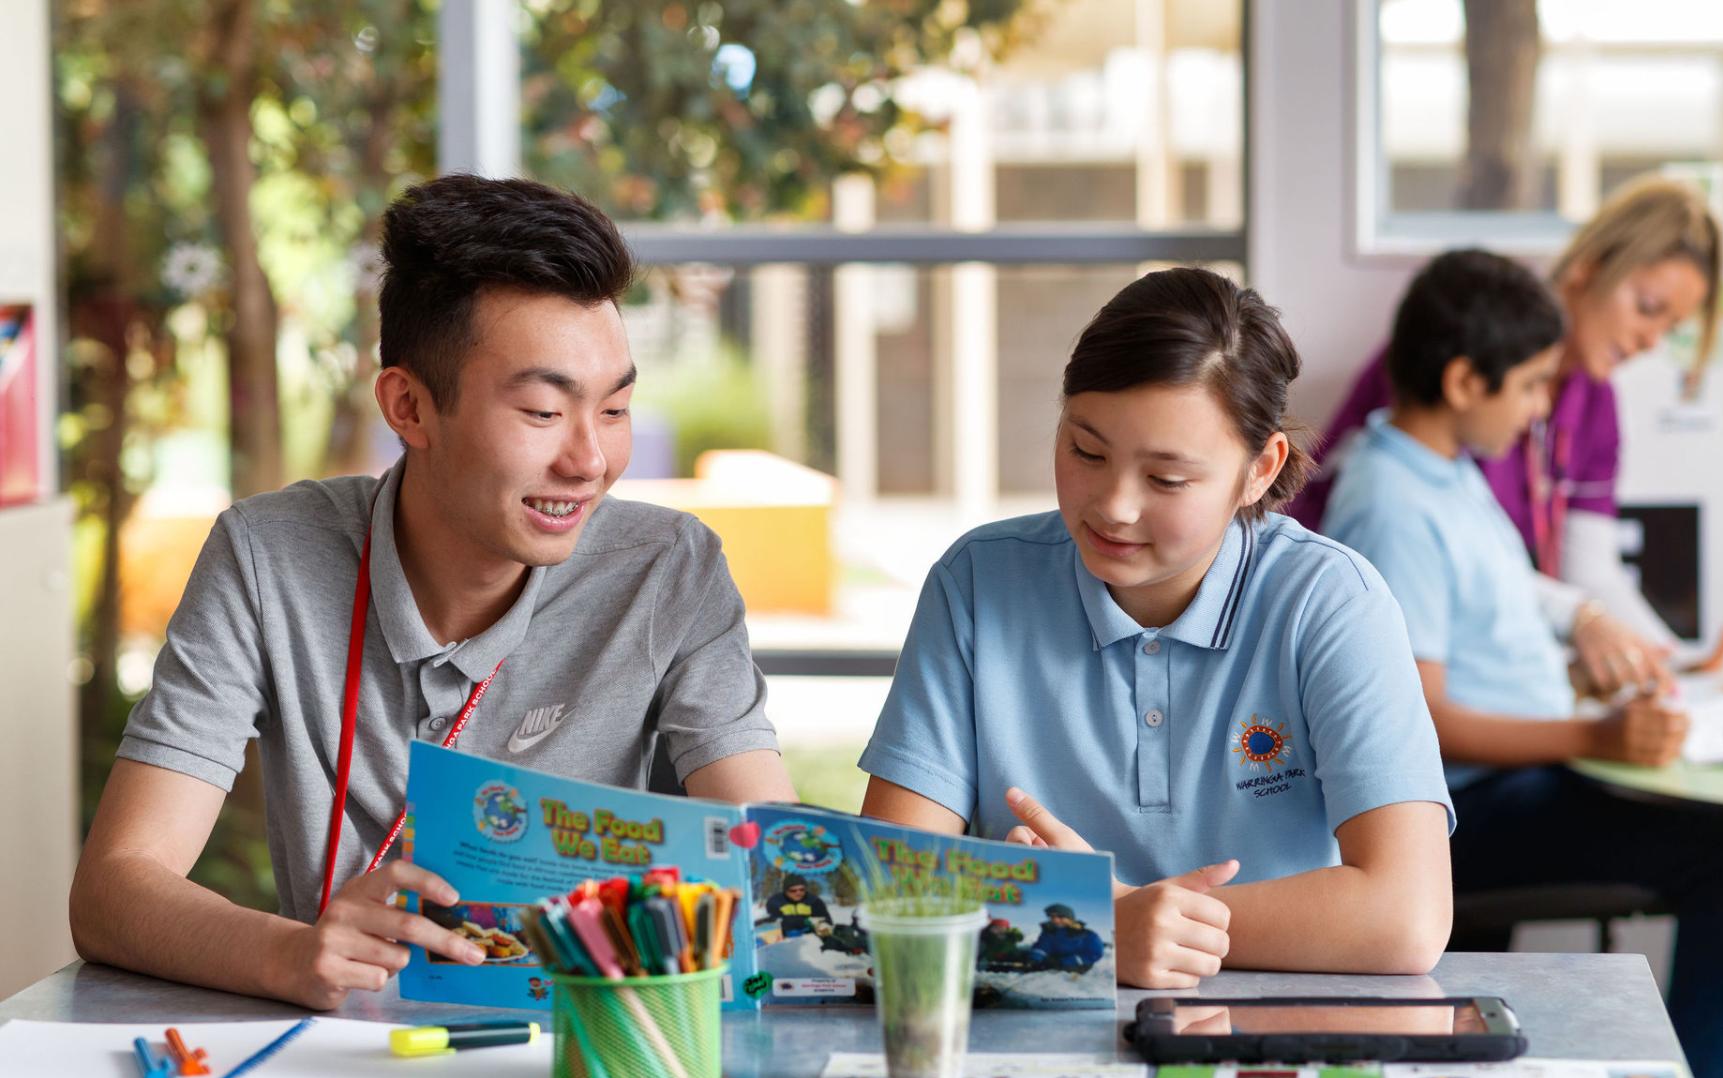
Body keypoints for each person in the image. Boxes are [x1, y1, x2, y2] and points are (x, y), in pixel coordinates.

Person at [70, 175, 797, 1011]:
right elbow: (114, 889)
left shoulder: (669, 568)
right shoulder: (267, 555)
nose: (589, 460)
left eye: (616, 407)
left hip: (596, 1042)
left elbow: (764, 846)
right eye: (540, 411)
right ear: (408, 406)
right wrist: (291, 952)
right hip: (349, 1051)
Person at [859, 267, 1455, 990]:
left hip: (1264, 1037)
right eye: (1086, 451)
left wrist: (1120, 923)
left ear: (1259, 470)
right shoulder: (978, 584)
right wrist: (1107, 928)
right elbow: (888, 887)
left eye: (1166, 480)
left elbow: (1407, 915)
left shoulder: (1331, 602)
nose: (1112, 505)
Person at [1320, 249, 1723, 1078]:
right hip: (1471, 813)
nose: (1541, 409)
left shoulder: (1444, 476)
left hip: (1515, 784)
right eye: (1532, 385)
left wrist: (1589, 665)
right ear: (1466, 382)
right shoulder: (1391, 506)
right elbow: (1421, 725)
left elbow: (1501, 617)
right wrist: (1594, 735)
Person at [1292, 175, 1723, 694]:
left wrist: (1665, 661)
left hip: (1491, 673)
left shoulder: (1595, 402)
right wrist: (1584, 628)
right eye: (1648, 308)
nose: (1651, 341)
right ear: (1590, 270)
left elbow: (1585, 568)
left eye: (1671, 327)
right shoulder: (1456, 377)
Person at [1027, 904, 1105, 974]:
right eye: (1052, 917)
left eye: (1060, 917)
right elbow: (1042, 947)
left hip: (1077, 966)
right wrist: (1034, 959)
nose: (1056, 920)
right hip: (1053, 961)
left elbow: (1094, 954)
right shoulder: (1049, 932)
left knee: (1050, 971)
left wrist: (1063, 962)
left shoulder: (1088, 935)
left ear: (1070, 918)